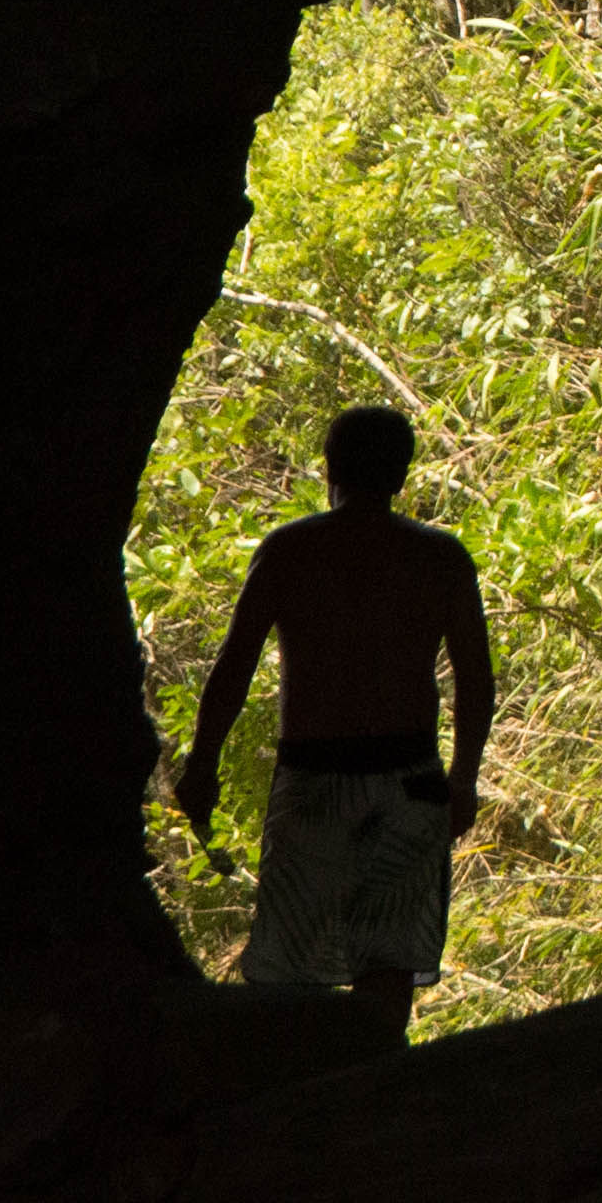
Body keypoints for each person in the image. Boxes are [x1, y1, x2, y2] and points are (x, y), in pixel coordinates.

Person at [169, 404, 494, 1037]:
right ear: (401, 476)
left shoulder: (292, 550)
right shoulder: (440, 558)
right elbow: (475, 682)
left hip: (314, 778)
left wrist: (203, 764)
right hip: (412, 782)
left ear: (329, 468)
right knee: (391, 961)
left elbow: (235, 666)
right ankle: (371, 1080)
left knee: (288, 965)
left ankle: (298, 1095)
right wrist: (462, 780)